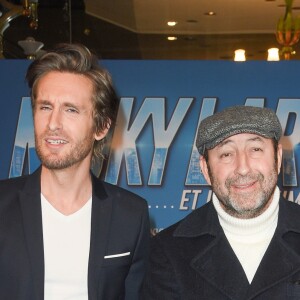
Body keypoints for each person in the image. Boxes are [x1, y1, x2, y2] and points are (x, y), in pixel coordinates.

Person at [0, 43, 149, 300]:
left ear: (101, 127)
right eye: (45, 107)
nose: (53, 124)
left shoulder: (131, 215)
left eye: (70, 110)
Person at [142, 105, 300, 299]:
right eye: (226, 154)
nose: (243, 168)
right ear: (205, 169)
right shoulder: (167, 251)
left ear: (277, 157)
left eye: (256, 149)